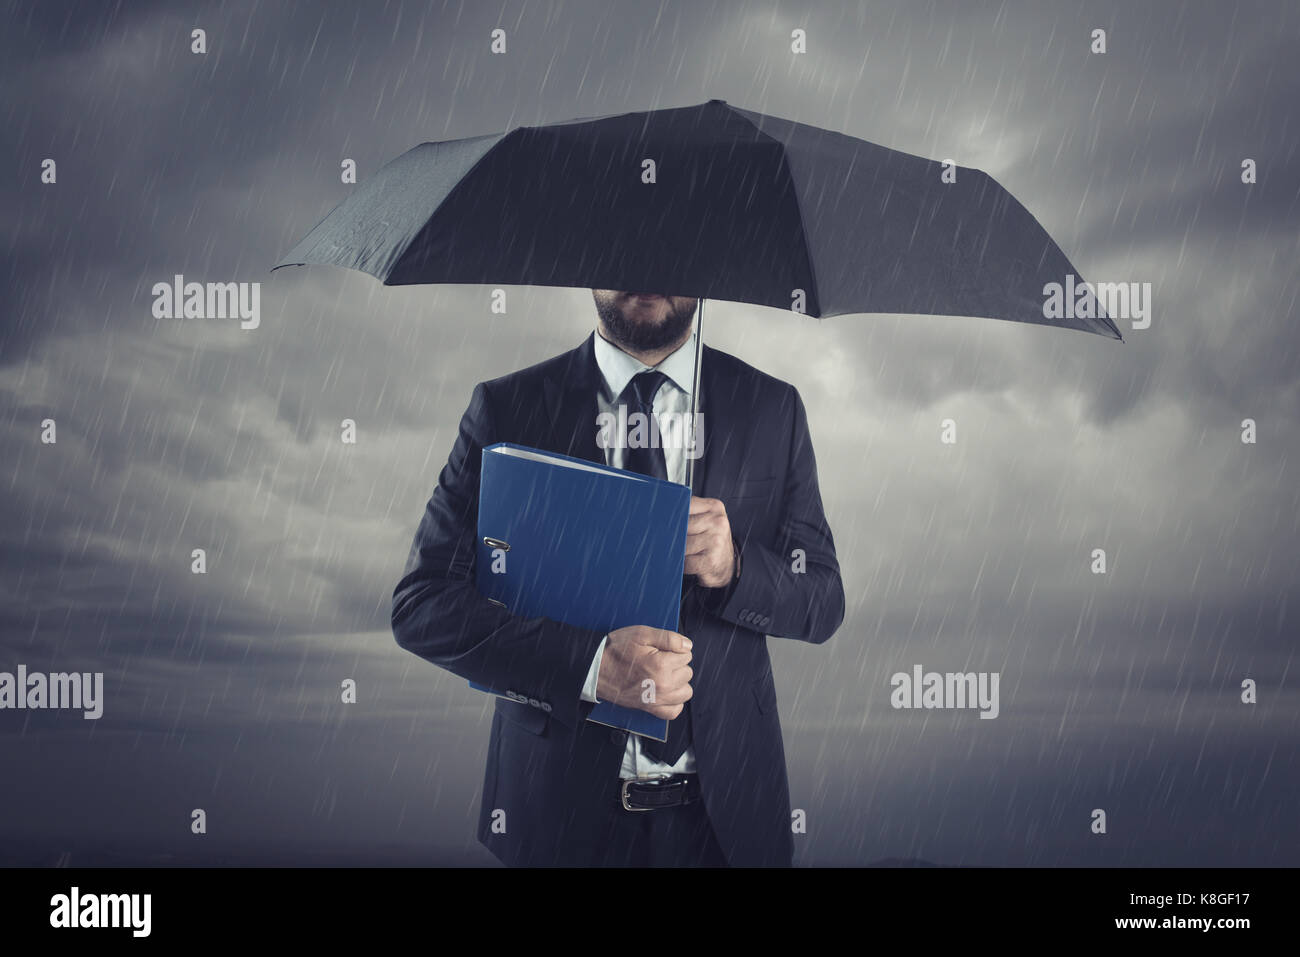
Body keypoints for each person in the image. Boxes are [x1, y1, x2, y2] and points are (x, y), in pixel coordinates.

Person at [391, 290, 844, 866]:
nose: (646, 269)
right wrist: (591, 667)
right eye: (628, 241)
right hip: (559, 819)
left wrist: (737, 568)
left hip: (729, 824)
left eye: (669, 245)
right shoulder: (508, 407)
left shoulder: (772, 408)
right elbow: (422, 605)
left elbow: (824, 598)